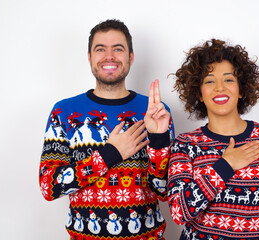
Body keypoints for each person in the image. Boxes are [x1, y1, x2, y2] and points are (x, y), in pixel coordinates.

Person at [39, 19, 174, 240]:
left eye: (118, 49)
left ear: (131, 57)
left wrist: (159, 139)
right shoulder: (63, 111)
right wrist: (110, 154)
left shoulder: (155, 111)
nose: (109, 56)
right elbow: (48, 186)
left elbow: (164, 191)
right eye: (100, 49)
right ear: (90, 57)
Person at [166, 39, 259, 240]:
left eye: (229, 79)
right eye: (209, 81)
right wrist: (225, 166)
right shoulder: (186, 144)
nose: (219, 88)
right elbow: (179, 212)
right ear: (199, 93)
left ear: (242, 89)